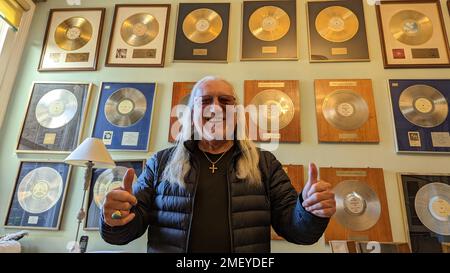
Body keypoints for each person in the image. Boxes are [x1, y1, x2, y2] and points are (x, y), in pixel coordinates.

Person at [100, 76, 336, 253]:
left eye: (225, 100)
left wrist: (309, 210)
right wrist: (115, 217)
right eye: (205, 101)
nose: (216, 107)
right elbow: (127, 228)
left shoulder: (265, 163)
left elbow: (296, 230)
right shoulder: (161, 162)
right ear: (192, 114)